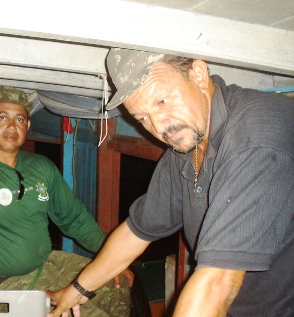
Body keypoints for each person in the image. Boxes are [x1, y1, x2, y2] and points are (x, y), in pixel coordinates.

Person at [46, 48, 294, 317]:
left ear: (198, 74)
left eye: (162, 101)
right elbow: (137, 231)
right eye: (141, 118)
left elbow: (218, 282)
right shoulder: (187, 143)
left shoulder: (257, 137)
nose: (159, 126)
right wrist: (76, 292)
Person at [0, 86, 133, 317]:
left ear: (28, 125)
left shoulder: (41, 166)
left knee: (117, 284)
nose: (12, 126)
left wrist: (112, 258)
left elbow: (73, 218)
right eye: (2, 117)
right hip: (1, 281)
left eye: (20, 119)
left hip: (48, 263)